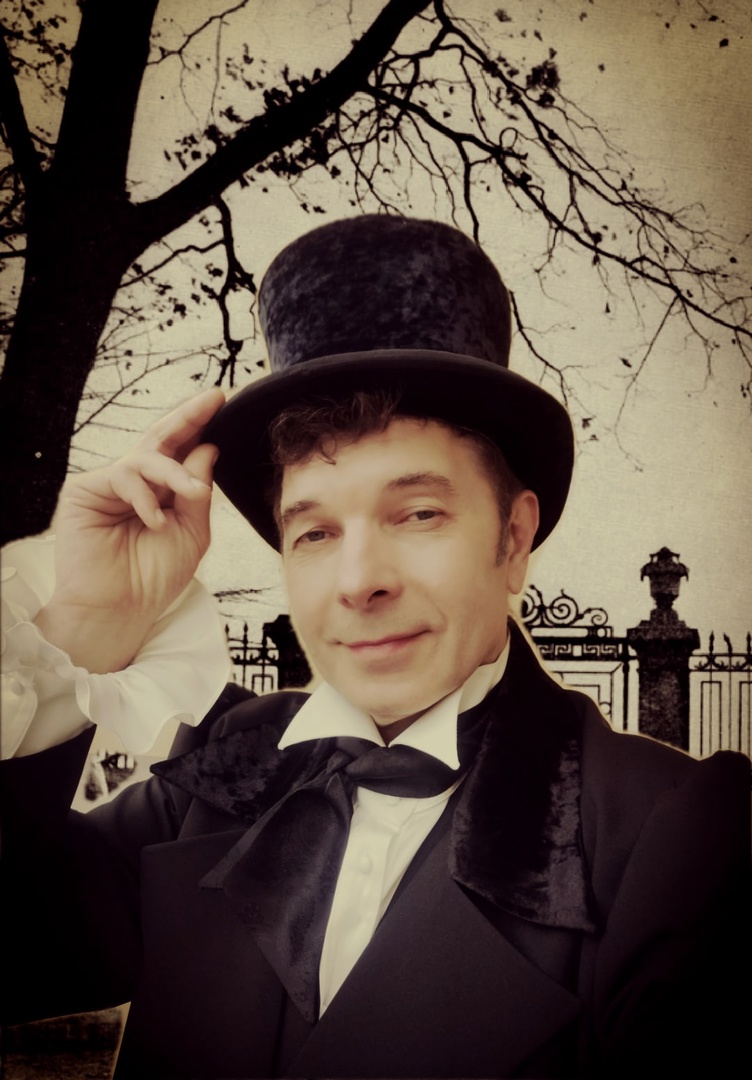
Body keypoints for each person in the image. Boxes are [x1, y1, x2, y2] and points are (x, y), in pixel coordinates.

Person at [1, 215, 749, 1079]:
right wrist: (88, 624)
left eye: (418, 513)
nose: (359, 581)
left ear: (513, 538)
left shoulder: (675, 835)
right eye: (314, 532)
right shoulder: (220, 773)